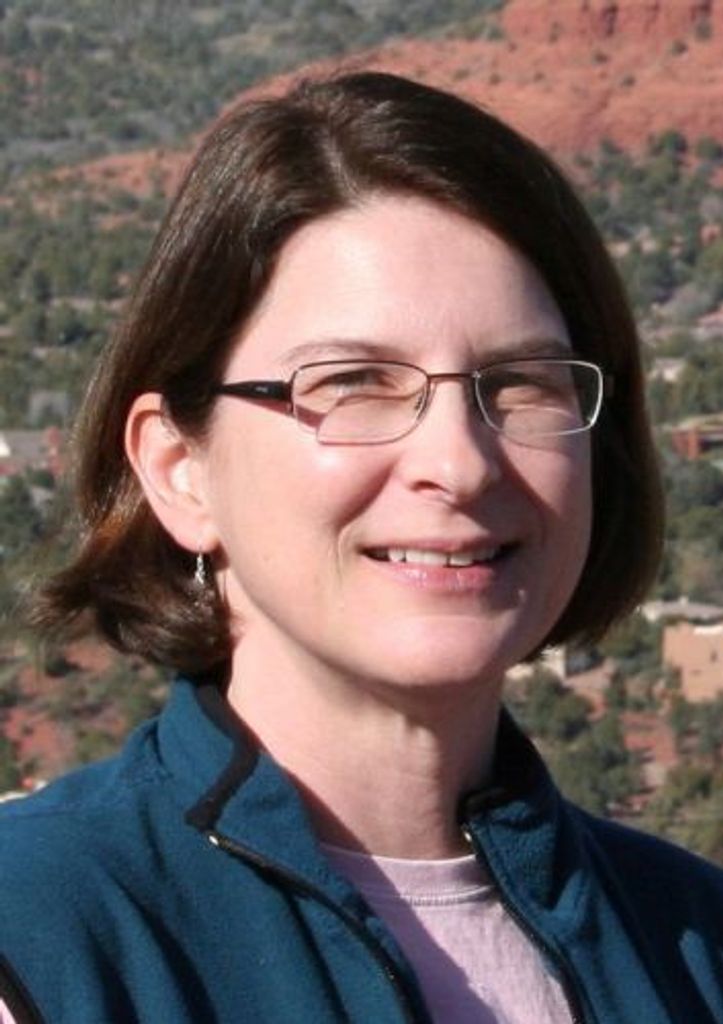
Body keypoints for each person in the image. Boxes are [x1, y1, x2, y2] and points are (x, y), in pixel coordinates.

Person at [0, 71, 721, 1024]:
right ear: (180, 470)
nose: (458, 464)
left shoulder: (693, 941)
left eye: (522, 383)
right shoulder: (42, 941)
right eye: (352, 384)